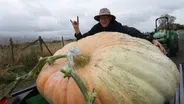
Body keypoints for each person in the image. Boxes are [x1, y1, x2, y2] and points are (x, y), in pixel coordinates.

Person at [70, 8, 166, 55]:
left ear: (110, 18)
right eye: (101, 18)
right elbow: (83, 40)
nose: (103, 20)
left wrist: (152, 40)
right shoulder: (96, 28)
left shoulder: (117, 26)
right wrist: (77, 29)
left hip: (118, 52)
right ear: (99, 19)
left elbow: (132, 32)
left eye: (106, 18)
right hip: (103, 53)